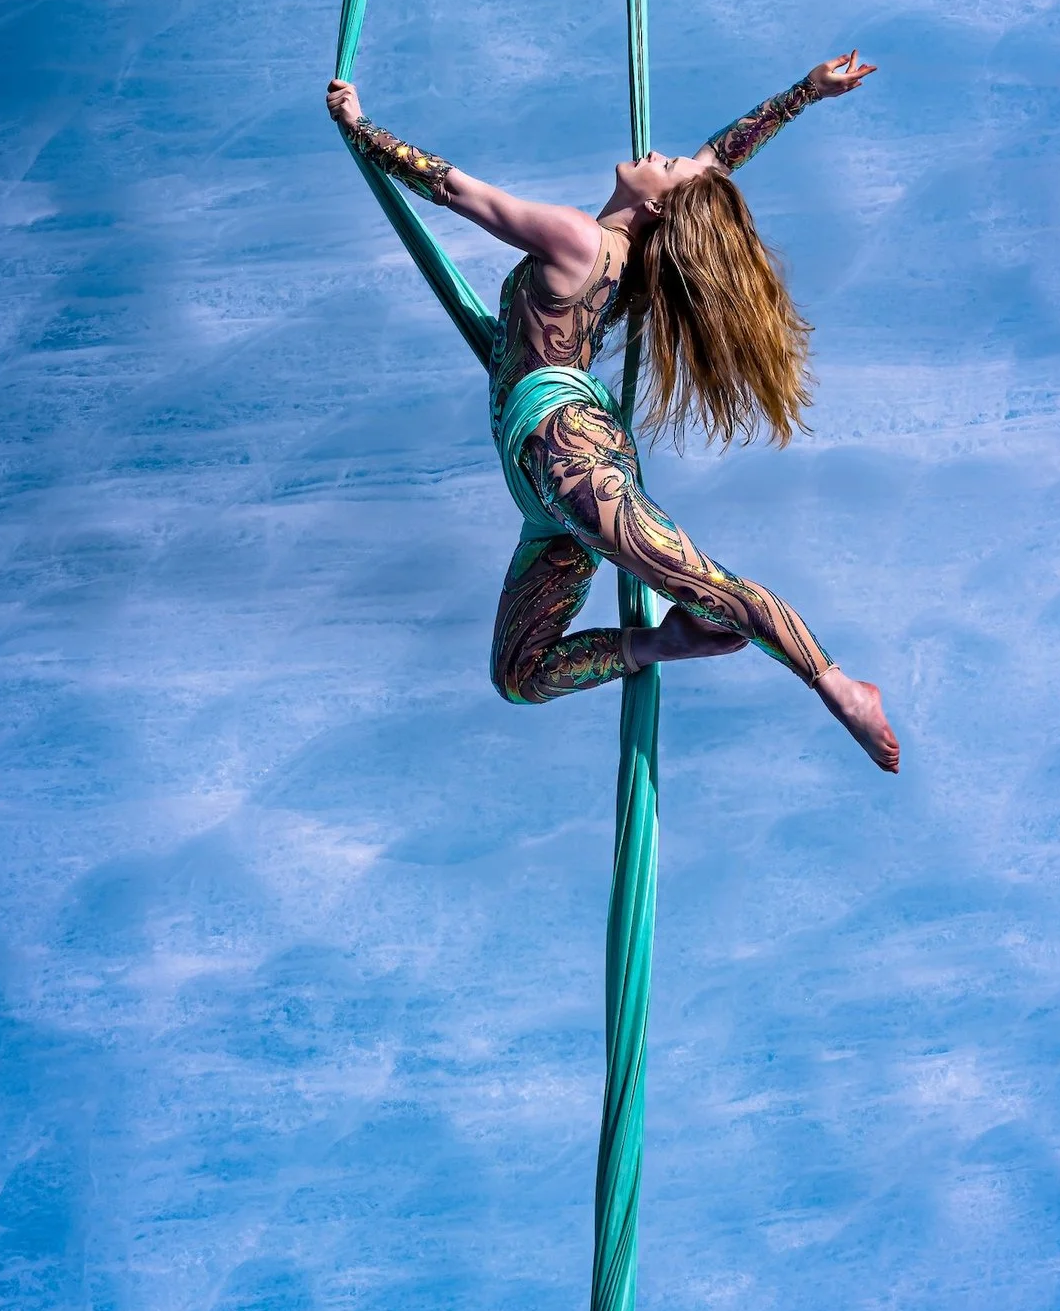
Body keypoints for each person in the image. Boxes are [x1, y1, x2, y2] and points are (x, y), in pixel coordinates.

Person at [325, 53, 901, 773]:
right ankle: (662, 643)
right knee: (519, 675)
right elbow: (714, 161)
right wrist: (805, 93)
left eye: (669, 168)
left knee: (704, 584)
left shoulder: (578, 238)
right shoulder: (628, 257)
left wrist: (359, 128)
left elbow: (453, 188)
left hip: (565, 455)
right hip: (545, 483)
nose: (663, 153)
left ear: (659, 204)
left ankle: (839, 684)